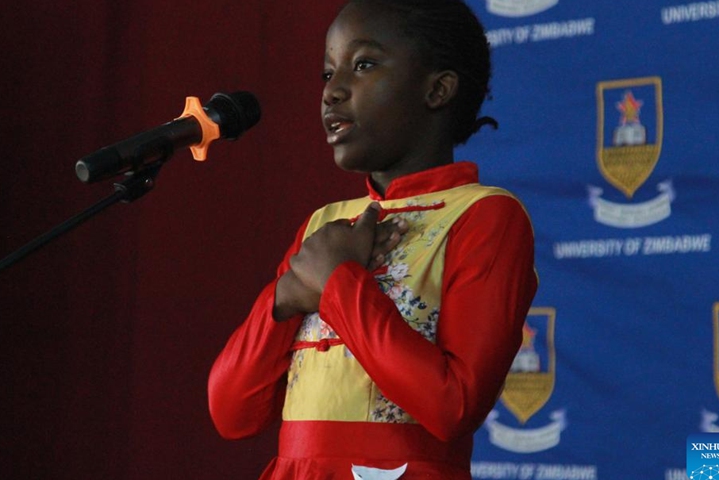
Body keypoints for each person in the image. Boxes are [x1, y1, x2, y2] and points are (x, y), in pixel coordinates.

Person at [208, 0, 538, 478]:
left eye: (363, 65)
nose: (332, 92)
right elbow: (231, 412)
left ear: (437, 89)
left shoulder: (484, 215)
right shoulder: (326, 224)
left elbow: (453, 406)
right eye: (327, 73)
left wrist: (338, 283)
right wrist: (283, 299)